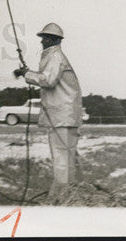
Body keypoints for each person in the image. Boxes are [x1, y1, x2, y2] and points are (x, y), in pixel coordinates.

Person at [14, 22, 83, 201]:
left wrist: (26, 75)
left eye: (44, 37)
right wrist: (28, 72)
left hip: (62, 116)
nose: (41, 41)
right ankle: (69, 195)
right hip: (65, 116)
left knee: (61, 157)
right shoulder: (54, 57)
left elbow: (48, 80)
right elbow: (47, 76)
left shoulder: (55, 57)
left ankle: (62, 197)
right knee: (67, 157)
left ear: (52, 39)